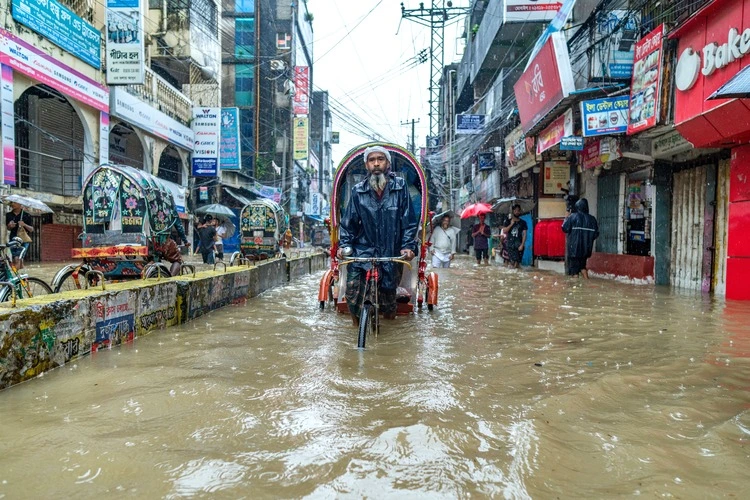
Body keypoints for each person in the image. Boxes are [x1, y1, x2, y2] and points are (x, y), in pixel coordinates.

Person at [337, 145, 417, 324]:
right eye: (372, 160)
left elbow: (409, 221)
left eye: (380, 159)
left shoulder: (400, 187)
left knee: (389, 301)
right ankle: (357, 325)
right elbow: (349, 223)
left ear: (387, 163)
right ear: (367, 165)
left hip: (391, 250)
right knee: (352, 291)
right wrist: (344, 245)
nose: (376, 164)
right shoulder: (358, 190)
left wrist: (408, 246)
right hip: (362, 250)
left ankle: (388, 329)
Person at [561, 198, 599, 279]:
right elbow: (596, 235)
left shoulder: (573, 217)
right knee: (582, 267)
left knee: (574, 271)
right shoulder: (592, 219)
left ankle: (576, 289)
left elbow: (564, 228)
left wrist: (566, 217)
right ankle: (587, 282)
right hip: (585, 250)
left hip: (574, 250)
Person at [5, 202, 33, 269]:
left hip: (24, 240)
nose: (12, 204)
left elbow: (31, 229)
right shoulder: (8, 215)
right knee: (17, 260)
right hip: (13, 239)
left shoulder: (27, 215)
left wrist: (24, 225)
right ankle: (23, 277)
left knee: (17, 259)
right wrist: (9, 226)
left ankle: (17, 277)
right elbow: (8, 228)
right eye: (11, 203)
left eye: (14, 203)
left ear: (20, 204)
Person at [501, 204, 528, 269]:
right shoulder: (508, 221)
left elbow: (524, 234)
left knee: (517, 263)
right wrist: (511, 224)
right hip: (510, 245)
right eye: (515, 210)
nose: (517, 212)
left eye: (518, 210)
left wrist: (522, 244)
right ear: (513, 211)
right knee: (512, 262)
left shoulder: (523, 222)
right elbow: (505, 231)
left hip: (519, 244)